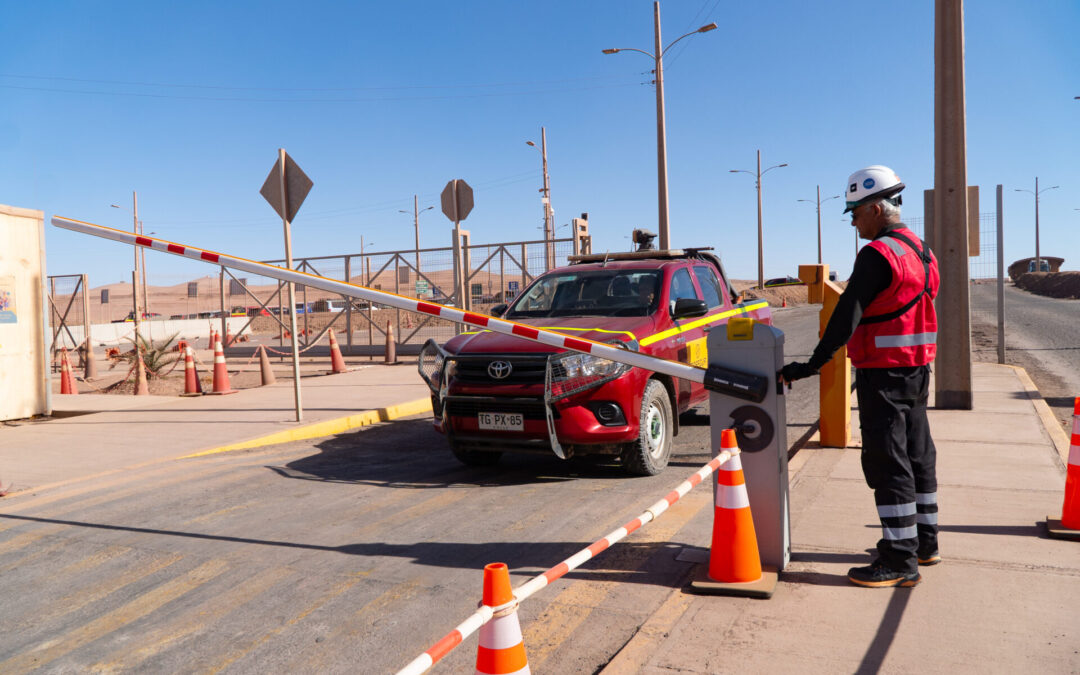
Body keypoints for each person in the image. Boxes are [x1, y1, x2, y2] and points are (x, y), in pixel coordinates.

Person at [780, 165, 941, 588]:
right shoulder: (922, 251)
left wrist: (811, 366)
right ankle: (924, 543)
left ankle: (899, 560)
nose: (852, 221)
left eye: (854, 212)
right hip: (917, 371)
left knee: (888, 463)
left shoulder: (878, 254)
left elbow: (844, 317)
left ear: (875, 208)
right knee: (918, 456)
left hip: (883, 376)